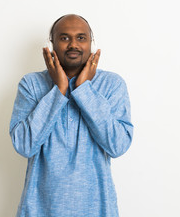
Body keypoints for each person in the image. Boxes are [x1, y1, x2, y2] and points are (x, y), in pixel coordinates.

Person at [9, 14, 134, 217]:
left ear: (91, 44)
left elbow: (118, 145)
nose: (73, 44)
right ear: (52, 45)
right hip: (39, 209)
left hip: (97, 210)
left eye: (81, 38)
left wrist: (84, 89)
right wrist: (59, 89)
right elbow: (24, 145)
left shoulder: (111, 85)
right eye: (64, 38)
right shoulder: (31, 85)